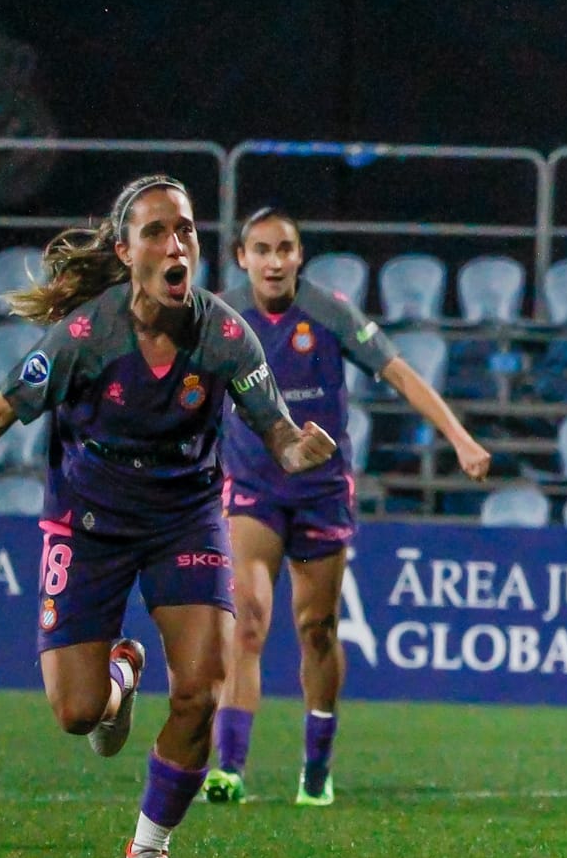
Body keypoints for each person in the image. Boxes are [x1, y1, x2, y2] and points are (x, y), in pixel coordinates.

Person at [0, 175, 335, 858]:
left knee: (203, 689)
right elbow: (0, 412)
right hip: (87, 520)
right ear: (125, 251)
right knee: (79, 714)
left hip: (185, 517)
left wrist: (302, 449)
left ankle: (148, 847)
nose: (177, 244)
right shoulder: (85, 335)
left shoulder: (226, 336)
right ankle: (119, 676)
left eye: (185, 230)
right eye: (157, 232)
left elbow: (278, 434)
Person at [203, 207, 493, 807]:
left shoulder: (328, 311)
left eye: (285, 248)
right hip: (253, 487)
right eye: (262, 249)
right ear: (242, 258)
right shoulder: (221, 318)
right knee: (247, 620)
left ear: (300, 255)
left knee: (316, 629)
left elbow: (400, 374)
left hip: (321, 492)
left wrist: (460, 439)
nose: (275, 260)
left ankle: (316, 763)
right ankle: (228, 767)